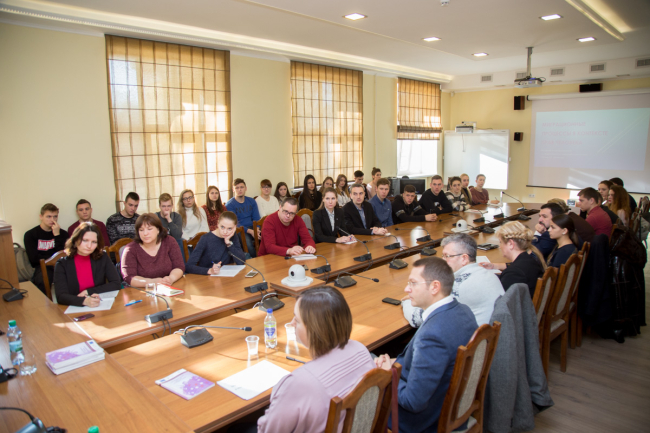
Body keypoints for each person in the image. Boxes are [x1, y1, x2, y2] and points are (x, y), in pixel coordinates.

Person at [375, 257, 477, 433]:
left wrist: (389, 374)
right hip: (450, 403)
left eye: (413, 283)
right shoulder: (463, 310)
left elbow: (413, 402)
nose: (406, 289)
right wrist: (394, 362)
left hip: (421, 421)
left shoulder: (432, 336)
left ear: (435, 287)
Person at [257, 286, 375, 432]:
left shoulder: (299, 384)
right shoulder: (361, 350)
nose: (292, 323)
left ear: (314, 329)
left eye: (297, 320)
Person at [402, 234, 504, 327]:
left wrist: (407, 301)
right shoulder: (489, 274)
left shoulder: (458, 286)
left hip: (471, 340)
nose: (443, 261)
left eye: (447, 256)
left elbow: (416, 319)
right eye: (443, 256)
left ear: (464, 258)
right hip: (493, 336)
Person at [53, 222, 120, 306]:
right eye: (85, 240)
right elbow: (61, 296)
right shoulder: (62, 264)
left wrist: (88, 292)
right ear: (75, 240)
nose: (89, 246)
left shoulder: (102, 257)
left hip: (99, 304)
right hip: (75, 307)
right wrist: (84, 301)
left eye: (94, 242)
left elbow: (116, 283)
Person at [478, 221, 546, 298]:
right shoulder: (529, 259)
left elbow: (499, 300)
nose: (500, 246)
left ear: (511, 244)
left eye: (501, 242)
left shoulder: (514, 273)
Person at [121, 213, 185, 287]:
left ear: (158, 229)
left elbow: (179, 266)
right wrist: (152, 282)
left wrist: (170, 279)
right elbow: (129, 277)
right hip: (142, 290)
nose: (145, 233)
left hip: (169, 286)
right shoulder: (130, 249)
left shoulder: (169, 241)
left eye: (149, 229)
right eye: (141, 230)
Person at [24, 203, 68, 294]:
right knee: (43, 279)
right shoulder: (30, 235)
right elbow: (34, 259)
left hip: (61, 265)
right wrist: (53, 258)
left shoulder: (63, 234)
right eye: (48, 216)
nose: (52, 220)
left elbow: (64, 255)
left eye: (55, 216)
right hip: (42, 266)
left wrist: (57, 235)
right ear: (41, 217)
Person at [225, 178, 261, 257]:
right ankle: (255, 260)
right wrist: (250, 231)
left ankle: (267, 259)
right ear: (233, 190)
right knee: (248, 245)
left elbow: (257, 218)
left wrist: (256, 229)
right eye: (237, 188)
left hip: (253, 226)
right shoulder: (230, 205)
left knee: (267, 236)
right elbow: (234, 223)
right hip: (241, 230)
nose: (239, 190)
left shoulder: (252, 201)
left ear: (245, 188)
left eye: (241, 187)